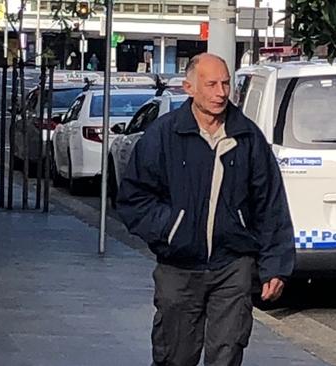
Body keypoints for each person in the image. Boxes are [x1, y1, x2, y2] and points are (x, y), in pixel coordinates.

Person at [116, 53, 295, 366]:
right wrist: (172, 230)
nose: (221, 92)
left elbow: (270, 204)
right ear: (189, 88)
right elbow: (134, 198)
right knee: (175, 356)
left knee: (227, 353)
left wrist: (275, 265)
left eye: (225, 83)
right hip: (179, 267)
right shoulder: (163, 135)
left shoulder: (247, 136)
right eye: (211, 84)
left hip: (232, 264)